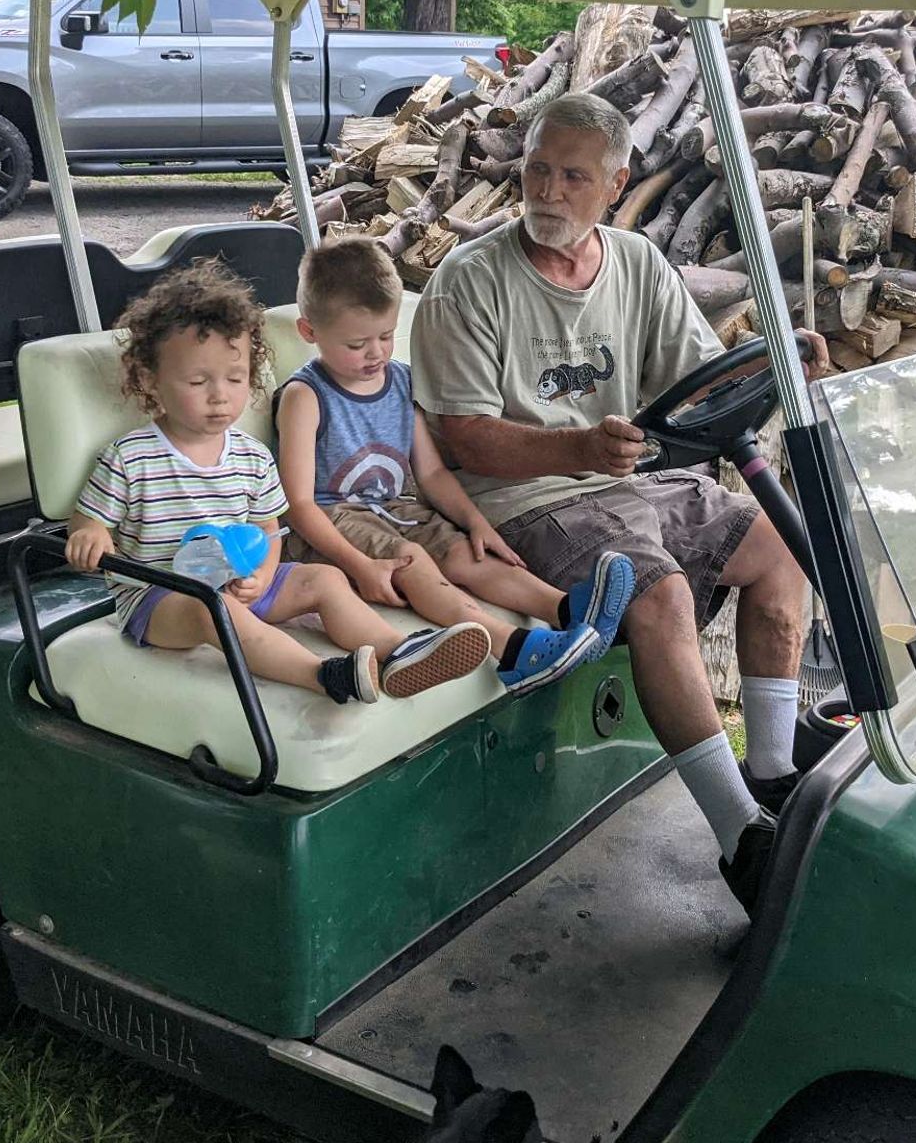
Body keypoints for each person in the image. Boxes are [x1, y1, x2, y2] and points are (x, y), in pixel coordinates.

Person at [411, 91, 829, 913]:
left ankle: (773, 776)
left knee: (783, 547)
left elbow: (692, 378)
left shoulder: (636, 263)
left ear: (615, 183)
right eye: (536, 170)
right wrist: (574, 449)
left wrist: (776, 365)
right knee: (658, 589)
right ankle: (742, 838)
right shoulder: (471, 279)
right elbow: (461, 437)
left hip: (621, 480)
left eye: (573, 176)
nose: (548, 191)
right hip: (521, 499)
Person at [66, 260, 490, 706]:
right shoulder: (131, 458)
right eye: (197, 381)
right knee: (214, 608)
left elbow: (270, 531)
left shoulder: (251, 457)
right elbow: (89, 522)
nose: (220, 395)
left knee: (324, 579)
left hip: (241, 583)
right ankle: (325, 675)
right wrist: (90, 534)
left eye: (235, 379)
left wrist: (263, 575)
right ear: (151, 381)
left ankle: (399, 653)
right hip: (162, 598)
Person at [275, 237, 635, 694]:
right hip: (332, 521)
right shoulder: (305, 397)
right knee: (415, 560)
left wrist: (475, 522)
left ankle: (569, 610)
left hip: (398, 508)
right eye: (356, 343)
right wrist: (361, 565)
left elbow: (431, 474)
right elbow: (299, 505)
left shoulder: (400, 381)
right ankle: (514, 649)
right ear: (310, 333)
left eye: (385, 337)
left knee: (468, 552)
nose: (376, 354)